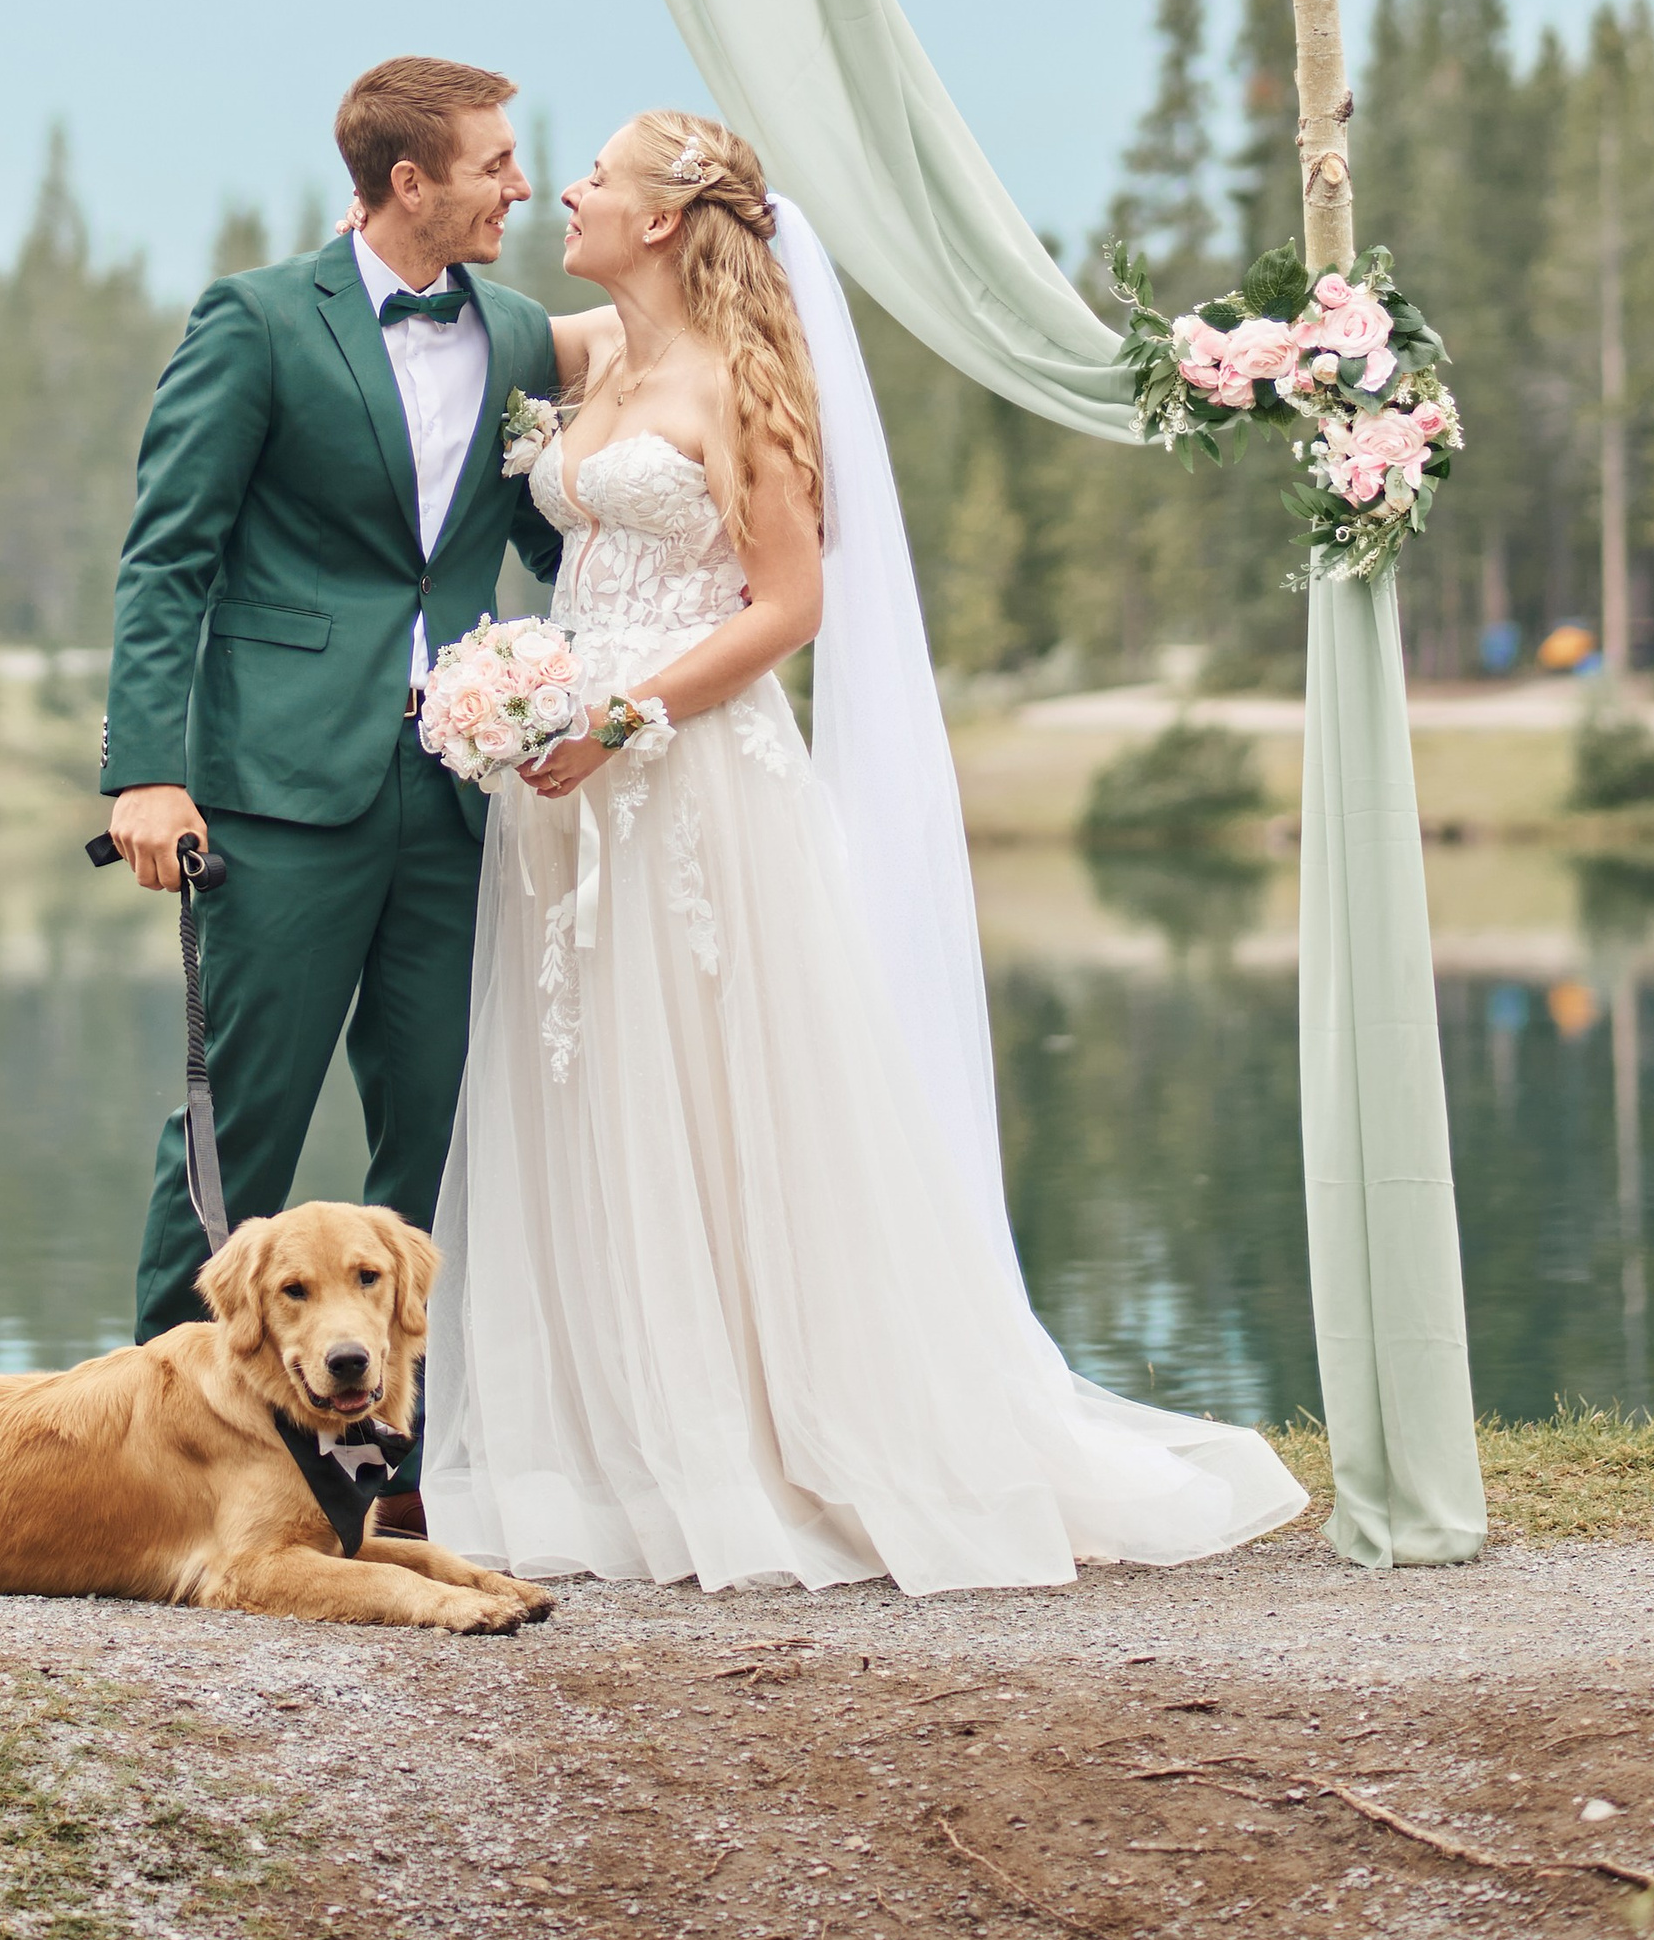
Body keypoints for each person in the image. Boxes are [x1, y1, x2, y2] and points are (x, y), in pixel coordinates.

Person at [424, 108, 1307, 1592]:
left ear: (659, 220)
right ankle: (613, 1445)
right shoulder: (591, 356)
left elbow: (787, 606)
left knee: (719, 1091)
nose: (563, 187)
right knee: (590, 1092)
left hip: (689, 775)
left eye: (595, 176)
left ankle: (766, 1441)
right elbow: (466, 334)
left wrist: (623, 712)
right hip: (564, 787)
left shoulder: (743, 382)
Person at [100, 53, 568, 1532]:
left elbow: (563, 536)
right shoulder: (254, 322)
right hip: (280, 795)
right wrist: (148, 771)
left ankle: (395, 1474)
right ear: (409, 178)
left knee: (436, 1129)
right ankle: (161, 1456)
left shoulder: (523, 333)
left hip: (457, 796)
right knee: (235, 1129)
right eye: (498, 161)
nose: (523, 184)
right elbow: (169, 552)